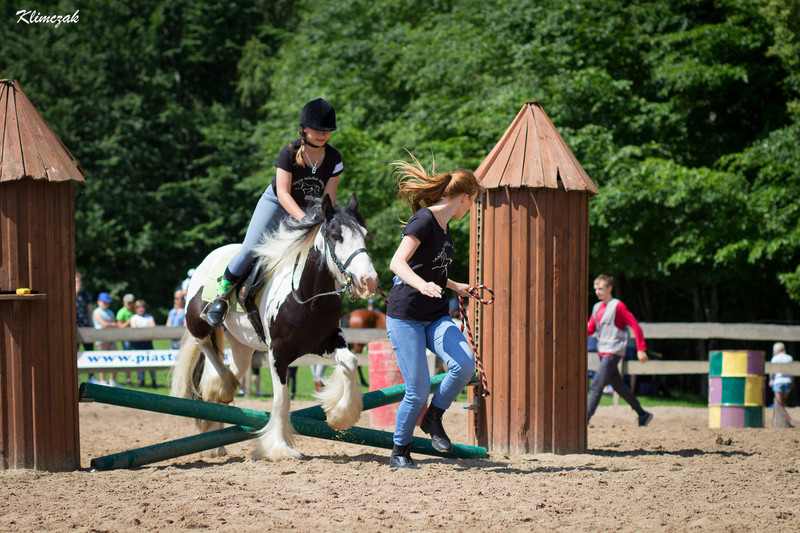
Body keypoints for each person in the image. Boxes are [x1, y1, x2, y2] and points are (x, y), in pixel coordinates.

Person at [204, 98, 342, 328]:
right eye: (318, 130)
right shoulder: (288, 152)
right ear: (304, 128)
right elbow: (284, 194)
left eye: (327, 130)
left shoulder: (334, 158)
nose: (322, 135)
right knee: (251, 247)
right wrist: (304, 220)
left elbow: (330, 198)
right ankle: (220, 297)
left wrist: (325, 219)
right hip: (277, 204)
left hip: (311, 209)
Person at [385, 154, 480, 469]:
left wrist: (454, 286)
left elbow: (431, 268)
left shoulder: (445, 224)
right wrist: (422, 285)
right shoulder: (424, 219)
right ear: (465, 197)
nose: (471, 208)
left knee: (464, 364)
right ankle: (400, 451)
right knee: (418, 390)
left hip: (436, 315)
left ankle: (434, 417)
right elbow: (398, 263)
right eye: (473, 202)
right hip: (405, 316)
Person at [587, 274, 653, 426]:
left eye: (601, 288)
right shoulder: (597, 307)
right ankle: (642, 414)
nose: (597, 291)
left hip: (613, 351)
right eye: (596, 288)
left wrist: (641, 349)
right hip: (602, 352)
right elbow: (590, 329)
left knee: (597, 384)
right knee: (619, 386)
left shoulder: (618, 306)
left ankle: (585, 418)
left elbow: (635, 326)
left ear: (610, 288)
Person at [92, 292, 119, 386]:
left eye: (107, 302)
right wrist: (113, 325)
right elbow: (103, 324)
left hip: (111, 337)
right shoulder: (96, 312)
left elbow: (113, 324)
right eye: (104, 302)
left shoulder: (110, 312)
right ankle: (102, 380)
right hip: (101, 338)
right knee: (102, 359)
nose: (106, 304)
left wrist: (112, 325)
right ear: (99, 302)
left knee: (114, 358)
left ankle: (113, 380)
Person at [130, 299, 157, 387]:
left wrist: (141, 329)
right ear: (136, 308)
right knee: (140, 362)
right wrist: (145, 328)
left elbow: (152, 327)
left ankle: (153, 381)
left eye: (142, 307)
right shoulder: (133, 318)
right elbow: (134, 329)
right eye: (139, 307)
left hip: (148, 342)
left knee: (151, 362)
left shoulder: (149, 317)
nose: (141, 309)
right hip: (138, 343)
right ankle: (141, 380)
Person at [770, 342, 795, 428]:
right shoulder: (789, 358)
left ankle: (781, 420)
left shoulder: (774, 358)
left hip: (778, 381)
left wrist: (771, 380)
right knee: (784, 402)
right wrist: (792, 381)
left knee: (778, 401)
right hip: (787, 381)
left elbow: (771, 371)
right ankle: (785, 420)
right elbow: (792, 372)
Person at [116, 293, 136, 385]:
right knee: (128, 357)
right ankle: (128, 378)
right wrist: (130, 321)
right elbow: (120, 326)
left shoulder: (135, 311)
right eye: (128, 303)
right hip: (126, 338)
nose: (130, 305)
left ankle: (140, 379)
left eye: (132, 303)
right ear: (124, 303)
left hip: (135, 337)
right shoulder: (122, 312)